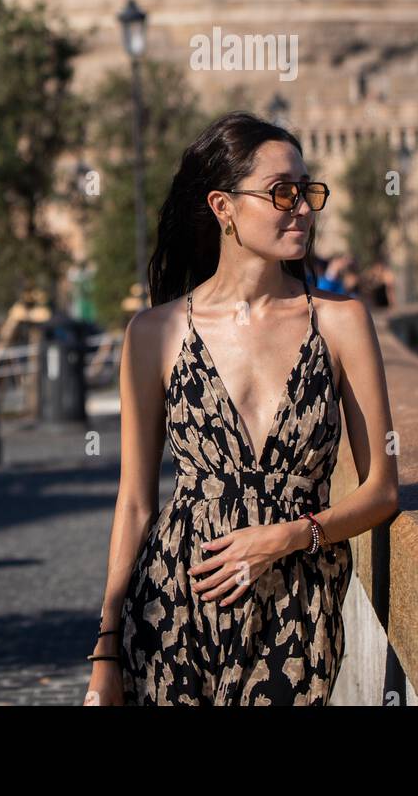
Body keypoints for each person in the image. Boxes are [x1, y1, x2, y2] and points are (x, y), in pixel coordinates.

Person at [83, 110, 398, 706]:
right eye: (282, 193)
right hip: (173, 605)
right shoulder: (155, 332)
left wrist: (286, 537)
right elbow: (135, 502)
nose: (302, 207)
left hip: (298, 609)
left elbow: (383, 489)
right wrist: (105, 652)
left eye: (307, 191)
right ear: (224, 207)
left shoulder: (341, 323)